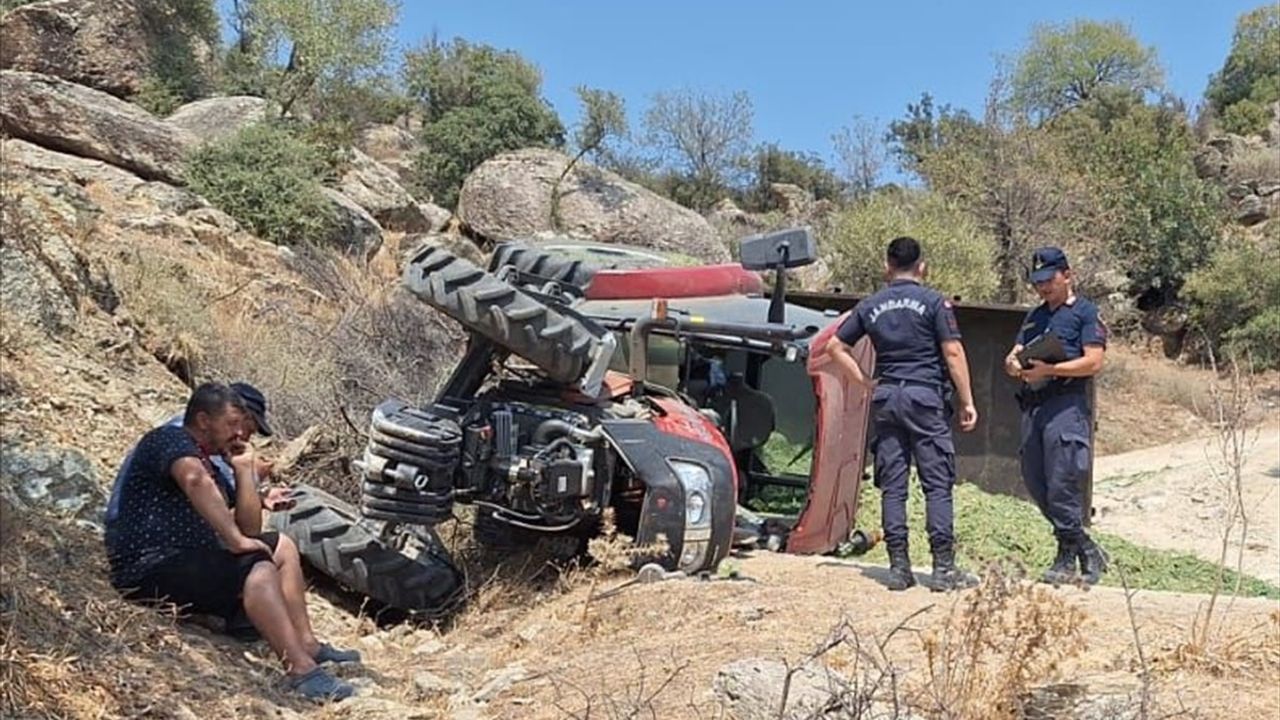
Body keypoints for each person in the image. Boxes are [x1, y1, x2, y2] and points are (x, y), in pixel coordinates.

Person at [106, 383, 358, 701]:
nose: (240, 433)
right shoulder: (169, 439)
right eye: (231, 424)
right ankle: (302, 672)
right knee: (257, 566)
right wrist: (236, 541)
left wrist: (243, 472)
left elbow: (249, 528)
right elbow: (194, 480)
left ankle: (306, 643)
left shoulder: (212, 462)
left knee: (280, 546)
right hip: (148, 563)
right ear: (203, 420)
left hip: (187, 561)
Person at [826, 236, 980, 592]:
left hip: (887, 398)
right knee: (937, 484)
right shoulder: (933, 303)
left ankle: (899, 568)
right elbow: (953, 352)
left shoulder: (871, 305)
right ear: (922, 266)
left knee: (892, 486)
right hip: (924, 398)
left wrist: (864, 382)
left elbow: (836, 346)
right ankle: (943, 570)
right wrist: (967, 400)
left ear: (887, 266)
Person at [1003, 247, 1108, 585]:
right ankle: (1087, 547)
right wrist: (1013, 364)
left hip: (1066, 404)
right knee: (1037, 481)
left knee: (1063, 479)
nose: (1043, 288)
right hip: (1034, 405)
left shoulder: (1085, 313)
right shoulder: (1034, 317)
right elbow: (1016, 353)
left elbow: (1093, 361)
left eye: (1049, 280)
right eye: (1038, 282)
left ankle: (1067, 557)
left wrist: (1053, 368)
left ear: (1067, 275)